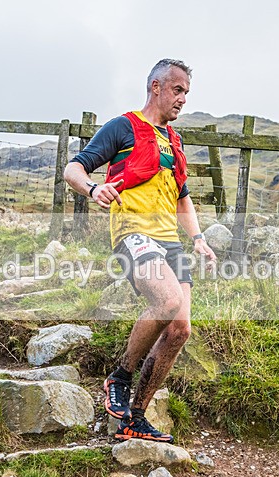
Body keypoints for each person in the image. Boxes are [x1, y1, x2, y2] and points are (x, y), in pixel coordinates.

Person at [64, 59, 216, 443]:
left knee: (180, 329)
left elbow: (183, 199)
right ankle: (121, 375)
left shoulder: (174, 142)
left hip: (170, 240)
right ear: (155, 87)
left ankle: (135, 416)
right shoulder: (124, 126)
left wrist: (197, 239)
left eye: (186, 93)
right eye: (177, 90)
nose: (182, 99)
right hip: (133, 232)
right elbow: (73, 170)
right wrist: (94, 188)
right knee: (165, 302)